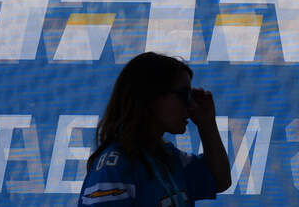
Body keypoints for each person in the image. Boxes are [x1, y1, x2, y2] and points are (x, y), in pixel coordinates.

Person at [79, 52, 231, 206]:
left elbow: (219, 180)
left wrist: (207, 123)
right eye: (184, 95)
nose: (192, 105)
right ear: (150, 96)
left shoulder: (169, 158)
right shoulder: (115, 166)